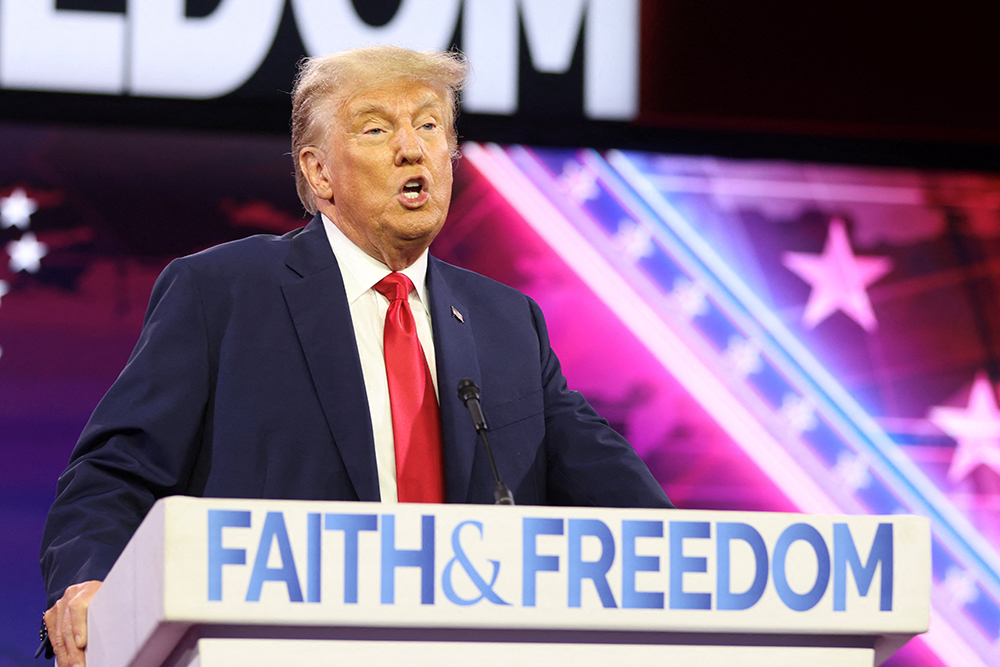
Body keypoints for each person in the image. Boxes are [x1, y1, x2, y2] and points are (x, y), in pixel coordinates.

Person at [39, 46, 673, 666]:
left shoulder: (507, 322)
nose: (412, 147)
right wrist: (89, 586)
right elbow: (115, 473)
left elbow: (613, 486)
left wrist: (698, 561)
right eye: (377, 128)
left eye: (430, 124)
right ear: (319, 173)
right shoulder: (224, 292)